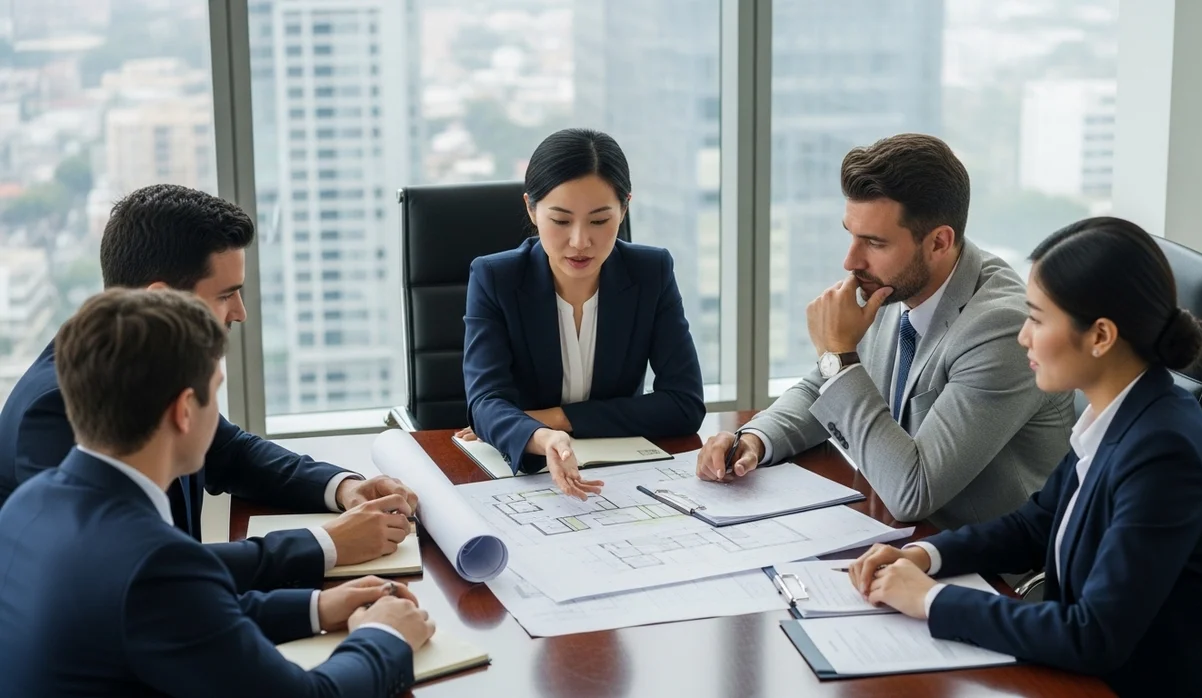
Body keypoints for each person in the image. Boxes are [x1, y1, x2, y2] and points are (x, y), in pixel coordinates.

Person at [848, 217, 1202, 697]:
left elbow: (1094, 634)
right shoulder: (1115, 413)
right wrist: (923, 555)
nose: (1023, 336)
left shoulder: (1164, 452)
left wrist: (932, 600)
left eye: (1037, 318)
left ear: (1101, 336)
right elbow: (1036, 523)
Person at [0, 288, 435, 696]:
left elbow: (181, 618)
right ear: (185, 410)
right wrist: (386, 634)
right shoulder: (156, 561)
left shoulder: (27, 505)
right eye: (215, 393)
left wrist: (317, 607)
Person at [0, 184, 416, 592]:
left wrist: (344, 488)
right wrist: (327, 545)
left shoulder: (151, 362)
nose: (240, 313)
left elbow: (231, 451)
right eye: (226, 295)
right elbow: (136, 575)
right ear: (161, 300)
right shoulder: (57, 408)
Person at [695, 133, 1073, 529]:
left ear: (939, 242)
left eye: (874, 242)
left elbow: (914, 492)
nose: (850, 261)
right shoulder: (897, 286)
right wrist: (754, 440)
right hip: (902, 535)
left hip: (987, 566)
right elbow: (821, 386)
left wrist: (840, 356)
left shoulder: (1001, 329)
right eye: (851, 235)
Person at [458, 128, 705, 499]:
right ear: (531, 208)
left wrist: (553, 417)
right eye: (560, 220)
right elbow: (485, 404)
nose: (579, 241)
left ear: (624, 208)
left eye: (599, 220)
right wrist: (543, 437)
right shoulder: (496, 278)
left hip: (621, 478)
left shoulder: (650, 272)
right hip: (524, 477)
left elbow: (684, 404)